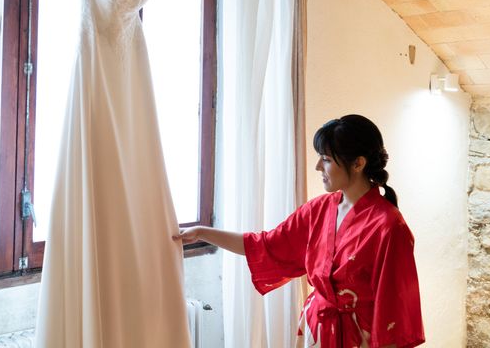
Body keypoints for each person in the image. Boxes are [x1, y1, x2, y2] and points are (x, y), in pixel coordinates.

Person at [174, 114, 425, 348]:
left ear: (358, 163)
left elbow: (396, 308)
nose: (318, 166)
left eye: (326, 159)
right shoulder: (319, 210)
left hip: (361, 338)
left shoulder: (389, 226)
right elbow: (264, 245)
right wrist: (203, 232)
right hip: (316, 329)